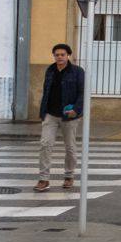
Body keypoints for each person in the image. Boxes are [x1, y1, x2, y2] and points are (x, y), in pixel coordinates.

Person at [35, 43, 85, 192]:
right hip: (50, 114)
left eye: (62, 54)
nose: (59, 57)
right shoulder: (50, 70)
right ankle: (44, 179)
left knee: (70, 147)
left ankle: (69, 176)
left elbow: (82, 93)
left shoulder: (77, 71)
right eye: (57, 55)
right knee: (45, 144)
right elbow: (46, 91)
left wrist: (76, 110)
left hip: (69, 116)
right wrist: (43, 112)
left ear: (68, 55)